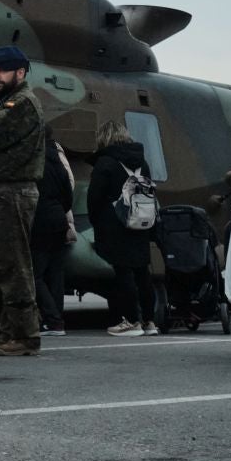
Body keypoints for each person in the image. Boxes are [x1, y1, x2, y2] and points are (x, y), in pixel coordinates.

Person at [0, 45, 46, 357]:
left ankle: (25, 335)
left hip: (14, 191)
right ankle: (10, 330)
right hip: (6, 191)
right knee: (0, 264)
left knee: (13, 265)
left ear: (19, 72)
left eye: (2, 69)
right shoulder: (13, 101)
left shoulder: (20, 103)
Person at [88, 123, 159, 336]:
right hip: (141, 222)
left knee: (123, 272)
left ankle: (130, 321)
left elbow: (94, 198)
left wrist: (98, 222)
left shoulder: (105, 163)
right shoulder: (142, 163)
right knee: (142, 273)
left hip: (117, 225)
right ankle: (149, 321)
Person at [33, 141, 77, 336]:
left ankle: (52, 318)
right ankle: (57, 319)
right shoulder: (59, 162)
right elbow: (69, 194)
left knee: (35, 274)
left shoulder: (34, 159)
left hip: (41, 221)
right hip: (60, 220)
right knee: (56, 273)